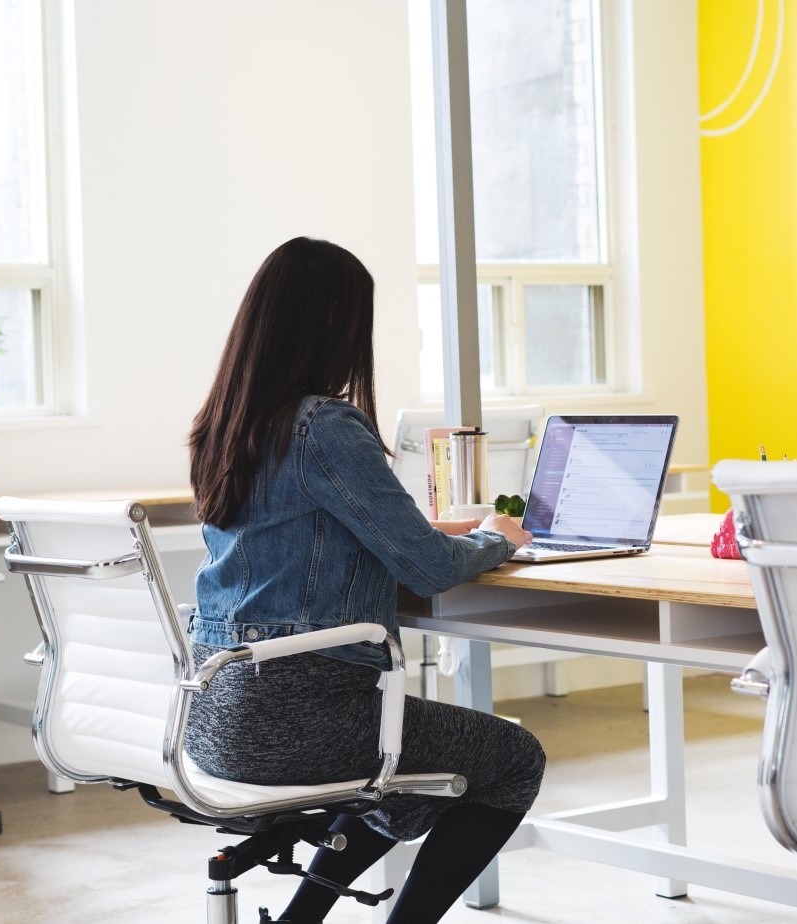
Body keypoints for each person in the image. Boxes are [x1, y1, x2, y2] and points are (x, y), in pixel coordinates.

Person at [185, 237, 545, 924]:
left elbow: (315, 536)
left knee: (429, 763)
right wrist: (500, 538)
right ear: (331, 324)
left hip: (214, 715)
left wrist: (435, 536)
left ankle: (302, 919)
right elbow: (429, 569)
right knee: (512, 757)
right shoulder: (326, 426)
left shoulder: (224, 425)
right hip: (303, 712)